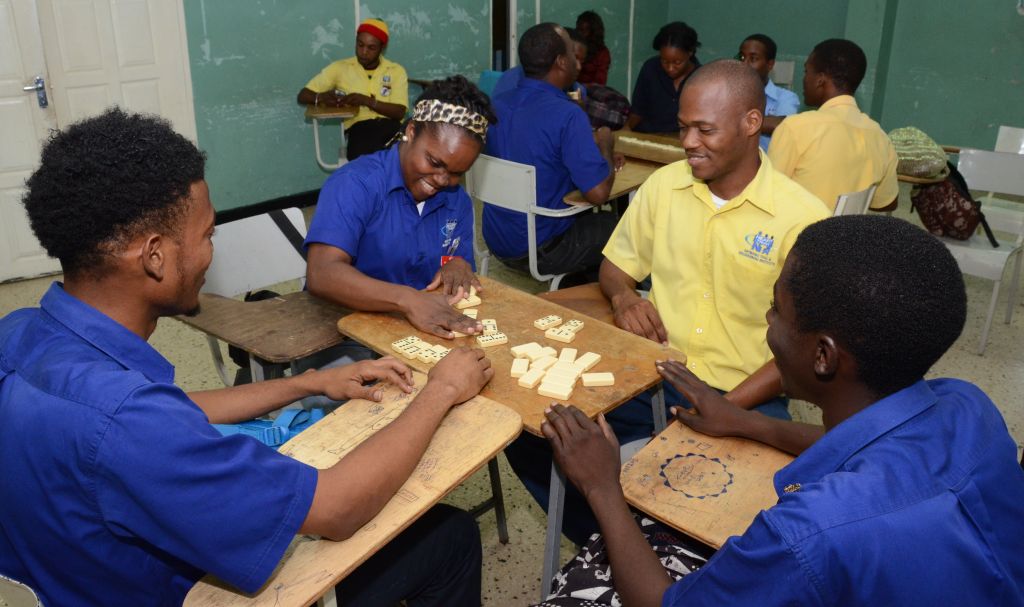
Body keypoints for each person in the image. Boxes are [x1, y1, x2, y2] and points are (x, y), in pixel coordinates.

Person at [0, 108, 494, 606]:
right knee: (447, 538)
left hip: (69, 577)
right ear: (154, 256)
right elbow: (337, 507)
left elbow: (163, 411)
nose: (212, 254)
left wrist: (306, 384)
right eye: (208, 235)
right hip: (175, 592)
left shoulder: (19, 334)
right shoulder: (129, 424)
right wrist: (442, 390)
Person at [535, 214, 1024, 606]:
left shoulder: (807, 533)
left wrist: (602, 485)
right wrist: (748, 422)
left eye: (776, 311)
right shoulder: (968, 403)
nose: (768, 323)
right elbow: (881, 450)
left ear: (823, 355)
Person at [504, 60, 829, 545]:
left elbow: (805, 350)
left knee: (756, 519)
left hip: (746, 394)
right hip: (649, 379)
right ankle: (611, 540)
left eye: (704, 129)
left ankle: (651, 547)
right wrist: (621, 299)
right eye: (683, 128)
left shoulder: (802, 218)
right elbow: (616, 268)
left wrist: (727, 411)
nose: (689, 143)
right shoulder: (665, 185)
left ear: (751, 124)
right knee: (528, 432)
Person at [305, 76, 496, 340]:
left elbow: (452, 260)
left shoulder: (456, 200)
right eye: (434, 162)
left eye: (457, 173)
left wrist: (456, 264)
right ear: (411, 131)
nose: (442, 180)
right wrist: (407, 300)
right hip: (340, 331)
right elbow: (322, 273)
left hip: (412, 330)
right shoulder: (356, 184)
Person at [483, 22, 623, 280]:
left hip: (496, 239)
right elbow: (599, 193)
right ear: (561, 61)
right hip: (542, 249)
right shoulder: (566, 115)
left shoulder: (496, 105)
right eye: (572, 53)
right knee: (626, 227)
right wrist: (605, 142)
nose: (577, 62)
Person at [768, 38, 898, 211]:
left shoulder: (796, 128)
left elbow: (768, 196)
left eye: (807, 71)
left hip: (801, 236)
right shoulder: (880, 136)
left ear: (820, 80)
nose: (804, 79)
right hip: (849, 236)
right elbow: (888, 202)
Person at [297, 18, 408, 161]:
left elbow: (399, 112)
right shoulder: (340, 68)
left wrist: (366, 101)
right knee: (371, 159)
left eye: (371, 48)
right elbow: (303, 95)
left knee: (402, 153)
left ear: (382, 48)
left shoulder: (395, 71)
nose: (364, 52)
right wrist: (321, 97)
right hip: (360, 130)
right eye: (360, 45)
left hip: (391, 128)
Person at [627, 22, 702, 133]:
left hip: (681, 142)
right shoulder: (650, 68)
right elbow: (638, 111)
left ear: (690, 52)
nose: (670, 68)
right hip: (647, 136)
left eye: (677, 62)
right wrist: (624, 132)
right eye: (664, 61)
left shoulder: (702, 78)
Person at [492, 27, 588, 103]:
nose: (578, 66)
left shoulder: (578, 91)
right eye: (574, 58)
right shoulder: (511, 79)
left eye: (582, 62)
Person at [738, 33, 800, 150]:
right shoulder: (729, 94)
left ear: (770, 64)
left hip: (769, 166)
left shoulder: (786, 98)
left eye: (753, 59)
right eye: (741, 57)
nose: (744, 64)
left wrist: (732, 122)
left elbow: (783, 126)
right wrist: (766, 121)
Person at [576, 10, 610, 85]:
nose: (579, 33)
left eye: (583, 30)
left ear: (593, 32)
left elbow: (600, 83)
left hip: (592, 92)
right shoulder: (572, 47)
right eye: (578, 29)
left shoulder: (602, 53)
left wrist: (582, 89)